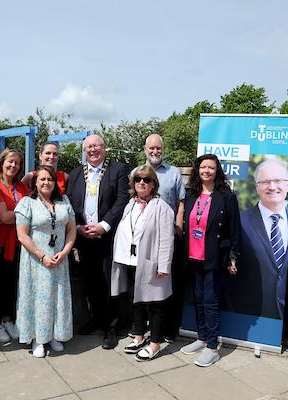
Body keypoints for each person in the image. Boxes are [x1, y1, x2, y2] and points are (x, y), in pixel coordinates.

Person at [67, 134, 129, 350]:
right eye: (88, 147)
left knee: (107, 281)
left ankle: (110, 326)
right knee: (89, 280)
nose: (93, 150)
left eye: (96, 146)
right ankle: (95, 318)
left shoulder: (118, 170)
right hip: (83, 237)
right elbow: (69, 203)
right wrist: (77, 227)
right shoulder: (75, 174)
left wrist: (104, 225)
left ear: (104, 148)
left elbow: (122, 200)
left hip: (107, 237)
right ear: (84, 151)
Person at [179, 154, 240, 367]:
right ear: (198, 170)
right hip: (193, 256)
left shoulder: (226, 197)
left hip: (215, 258)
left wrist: (233, 256)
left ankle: (212, 347)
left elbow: (235, 230)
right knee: (198, 298)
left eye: (211, 168)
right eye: (203, 167)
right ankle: (202, 337)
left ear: (217, 171)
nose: (206, 171)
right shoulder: (191, 194)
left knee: (211, 301)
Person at [111, 165, 175, 361]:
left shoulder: (162, 208)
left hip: (151, 263)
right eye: (138, 179)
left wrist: (163, 266)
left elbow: (166, 239)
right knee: (136, 300)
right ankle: (138, 335)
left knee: (155, 303)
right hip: (130, 261)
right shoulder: (131, 204)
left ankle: (154, 343)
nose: (141, 183)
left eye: (146, 180)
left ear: (153, 184)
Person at [15, 165, 77, 357]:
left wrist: (65, 252)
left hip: (59, 258)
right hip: (36, 260)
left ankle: (54, 335)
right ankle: (37, 338)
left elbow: (72, 230)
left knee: (57, 297)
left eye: (49, 179)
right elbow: (22, 235)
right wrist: (41, 256)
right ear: (35, 182)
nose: (46, 182)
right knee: (38, 297)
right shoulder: (27, 202)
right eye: (42, 179)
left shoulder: (63, 201)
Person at [132, 134, 186, 342]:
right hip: (143, 241)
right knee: (143, 283)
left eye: (158, 148)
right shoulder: (137, 172)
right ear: (145, 149)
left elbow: (181, 203)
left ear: (163, 149)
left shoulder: (173, 173)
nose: (155, 152)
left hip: (167, 237)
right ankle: (141, 329)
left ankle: (167, 329)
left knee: (165, 284)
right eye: (151, 148)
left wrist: (178, 229)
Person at [225, 159, 288, 319]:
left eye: (278, 180)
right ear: (257, 187)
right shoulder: (240, 220)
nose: (272, 186)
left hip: (284, 315)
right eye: (265, 181)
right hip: (248, 313)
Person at [0, 149, 30, 345]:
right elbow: (3, 218)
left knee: (12, 282)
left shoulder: (21, 186)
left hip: (20, 242)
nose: (14, 166)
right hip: (0, 243)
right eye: (10, 162)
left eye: (18, 163)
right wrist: (24, 209)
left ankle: (7, 319)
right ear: (2, 163)